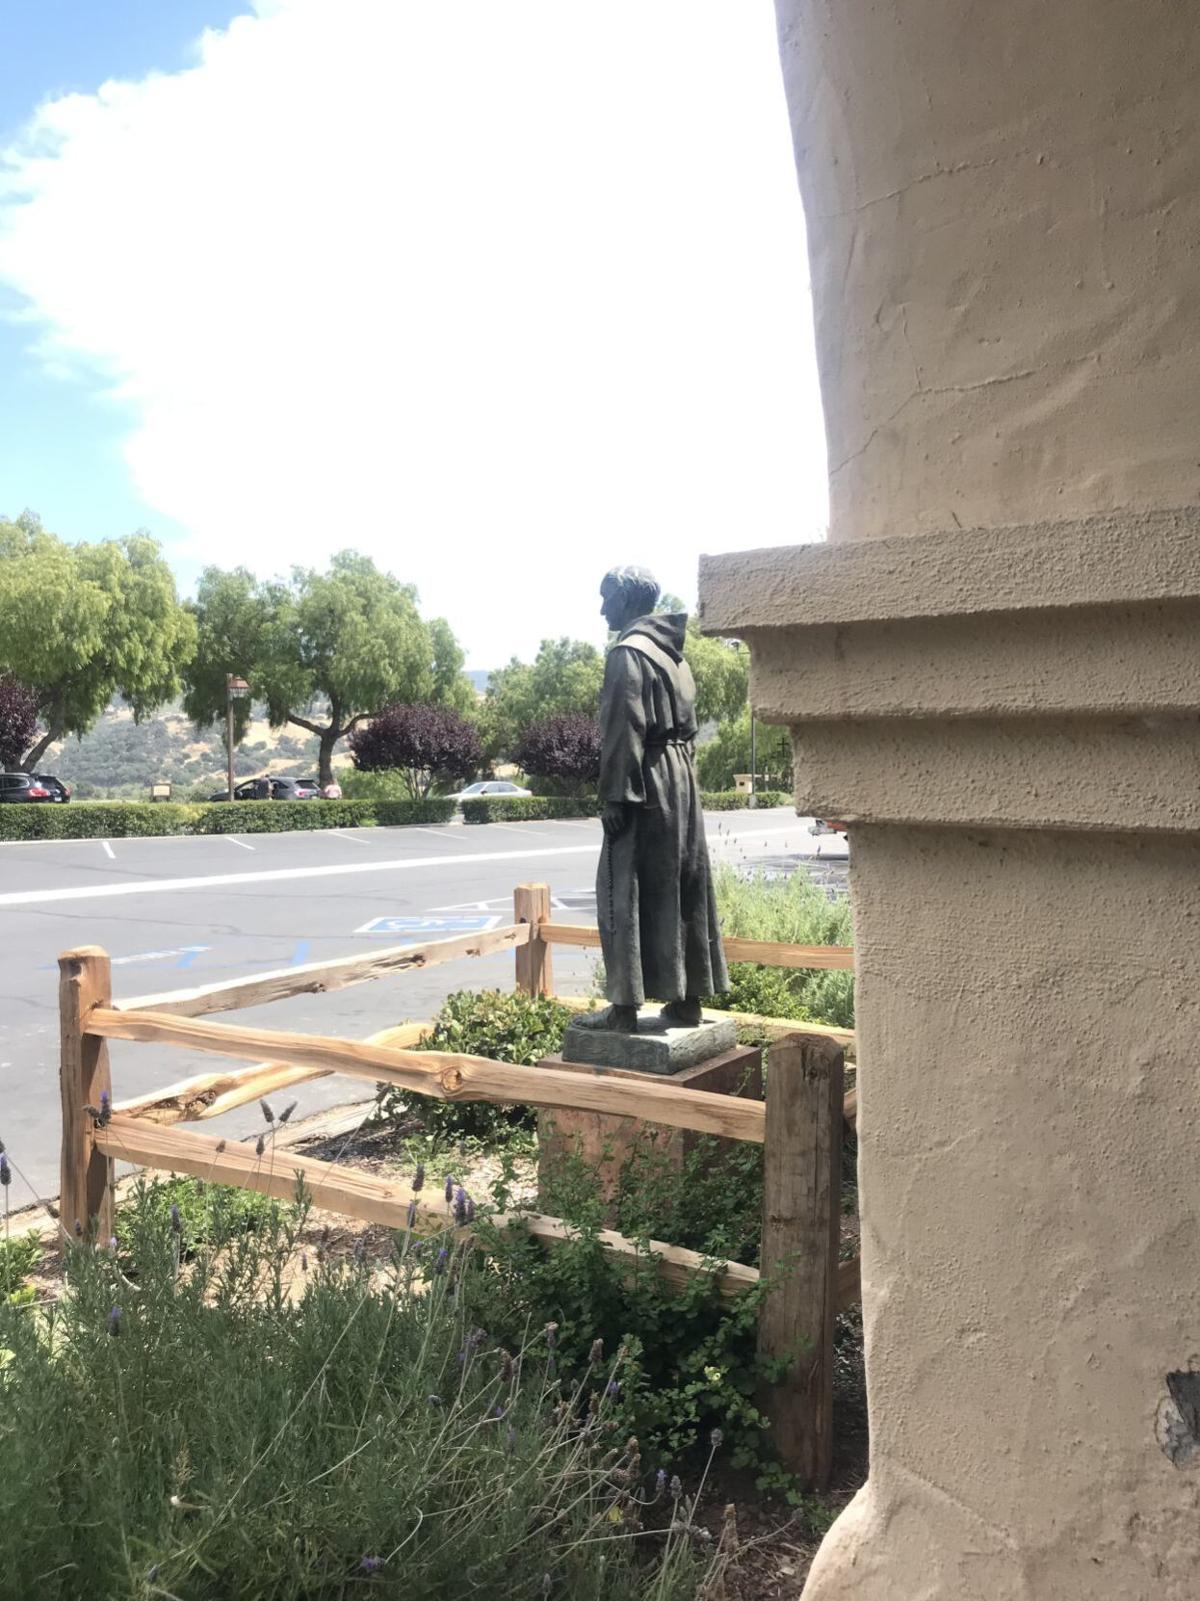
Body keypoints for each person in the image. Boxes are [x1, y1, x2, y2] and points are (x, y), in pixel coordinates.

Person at [580, 564, 729, 1032]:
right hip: (680, 780)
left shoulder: (628, 654)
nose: (602, 607)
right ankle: (687, 1002)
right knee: (682, 886)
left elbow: (624, 729)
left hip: (645, 780)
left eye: (607, 597)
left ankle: (624, 1009)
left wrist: (616, 797)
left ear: (626, 601)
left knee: (620, 887)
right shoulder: (674, 657)